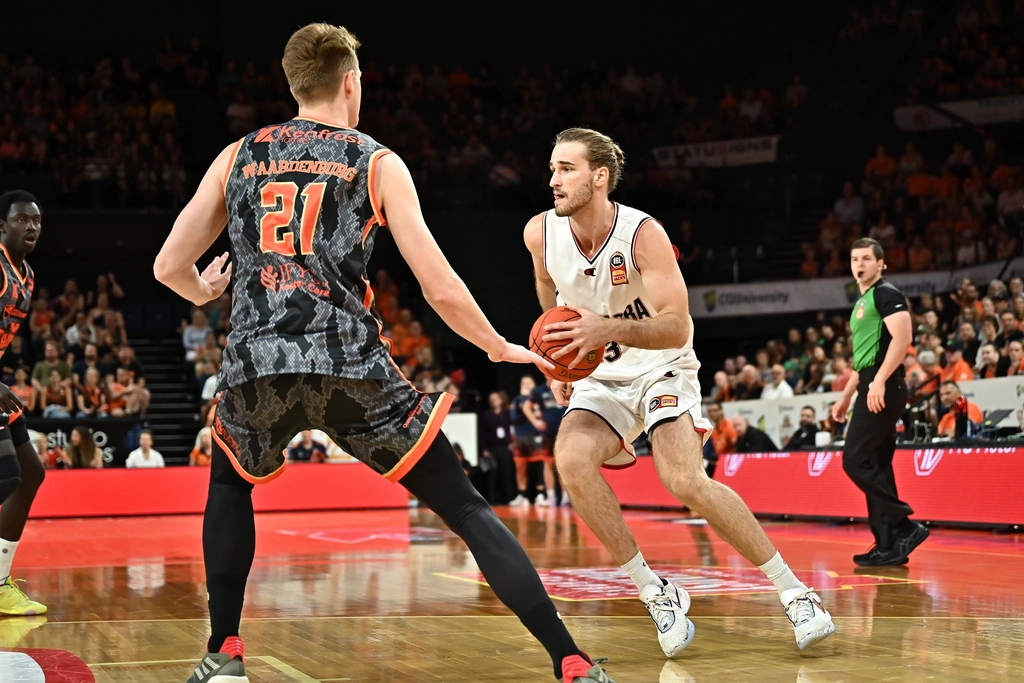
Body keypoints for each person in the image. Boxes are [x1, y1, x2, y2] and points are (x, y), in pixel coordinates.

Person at [153, 24, 609, 683]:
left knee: (228, 482)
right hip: (350, 367)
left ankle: (224, 653)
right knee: (466, 506)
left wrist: (204, 288)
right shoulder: (375, 160)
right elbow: (439, 286)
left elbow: (169, 263)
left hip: (257, 365)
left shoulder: (237, 156)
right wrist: (498, 346)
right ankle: (569, 659)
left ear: (293, 84)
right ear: (349, 82)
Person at [526, 127, 834, 657]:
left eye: (566, 169)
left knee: (683, 479)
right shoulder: (539, 233)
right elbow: (546, 288)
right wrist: (557, 357)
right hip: (602, 375)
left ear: (599, 177)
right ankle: (655, 591)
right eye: (552, 168)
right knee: (571, 460)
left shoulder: (642, 234)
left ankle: (796, 592)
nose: (553, 179)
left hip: (662, 366)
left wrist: (607, 328)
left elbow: (676, 324)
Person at [831, 238, 927, 567]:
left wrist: (880, 381)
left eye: (867, 258)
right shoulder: (863, 300)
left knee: (855, 460)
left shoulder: (887, 293)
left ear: (881, 264)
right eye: (855, 258)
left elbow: (902, 340)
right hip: (872, 382)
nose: (860, 264)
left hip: (885, 384)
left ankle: (903, 524)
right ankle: (888, 544)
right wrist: (846, 395)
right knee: (877, 464)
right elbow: (863, 359)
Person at [0, 190, 47, 616]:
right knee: (11, 477)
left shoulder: (27, 274)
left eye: (35, 221)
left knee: (30, 473)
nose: (30, 226)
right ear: (2, 225)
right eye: (20, 220)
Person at [509, 374, 547, 506]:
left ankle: (541, 495)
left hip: (536, 435)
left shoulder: (538, 398)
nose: (526, 384)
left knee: (540, 466)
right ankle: (522, 495)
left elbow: (542, 414)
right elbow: (514, 418)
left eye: (529, 382)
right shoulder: (517, 400)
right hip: (521, 437)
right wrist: (523, 402)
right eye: (524, 382)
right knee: (520, 467)